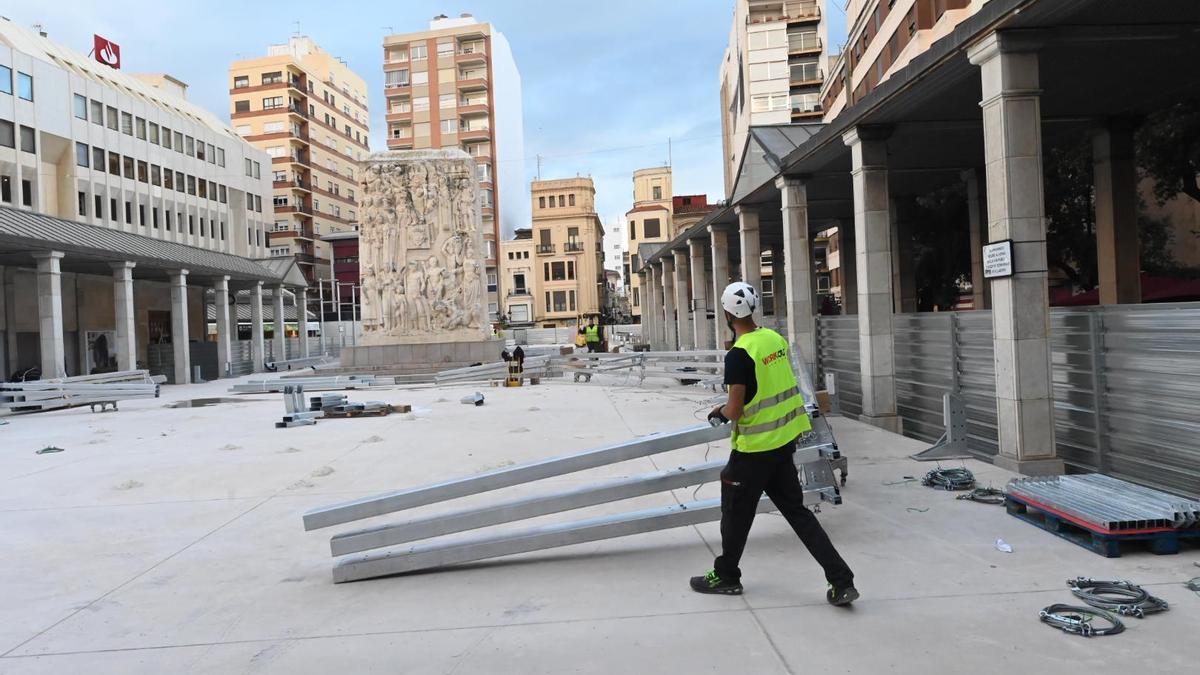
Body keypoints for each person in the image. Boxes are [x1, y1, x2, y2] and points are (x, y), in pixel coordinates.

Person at [691, 281, 858, 606]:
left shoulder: (739, 354)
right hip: (783, 447)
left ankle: (726, 575)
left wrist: (720, 412)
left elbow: (736, 408)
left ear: (727, 313)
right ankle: (842, 581)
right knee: (798, 513)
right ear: (753, 309)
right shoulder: (775, 340)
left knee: (735, 514)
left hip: (753, 452)